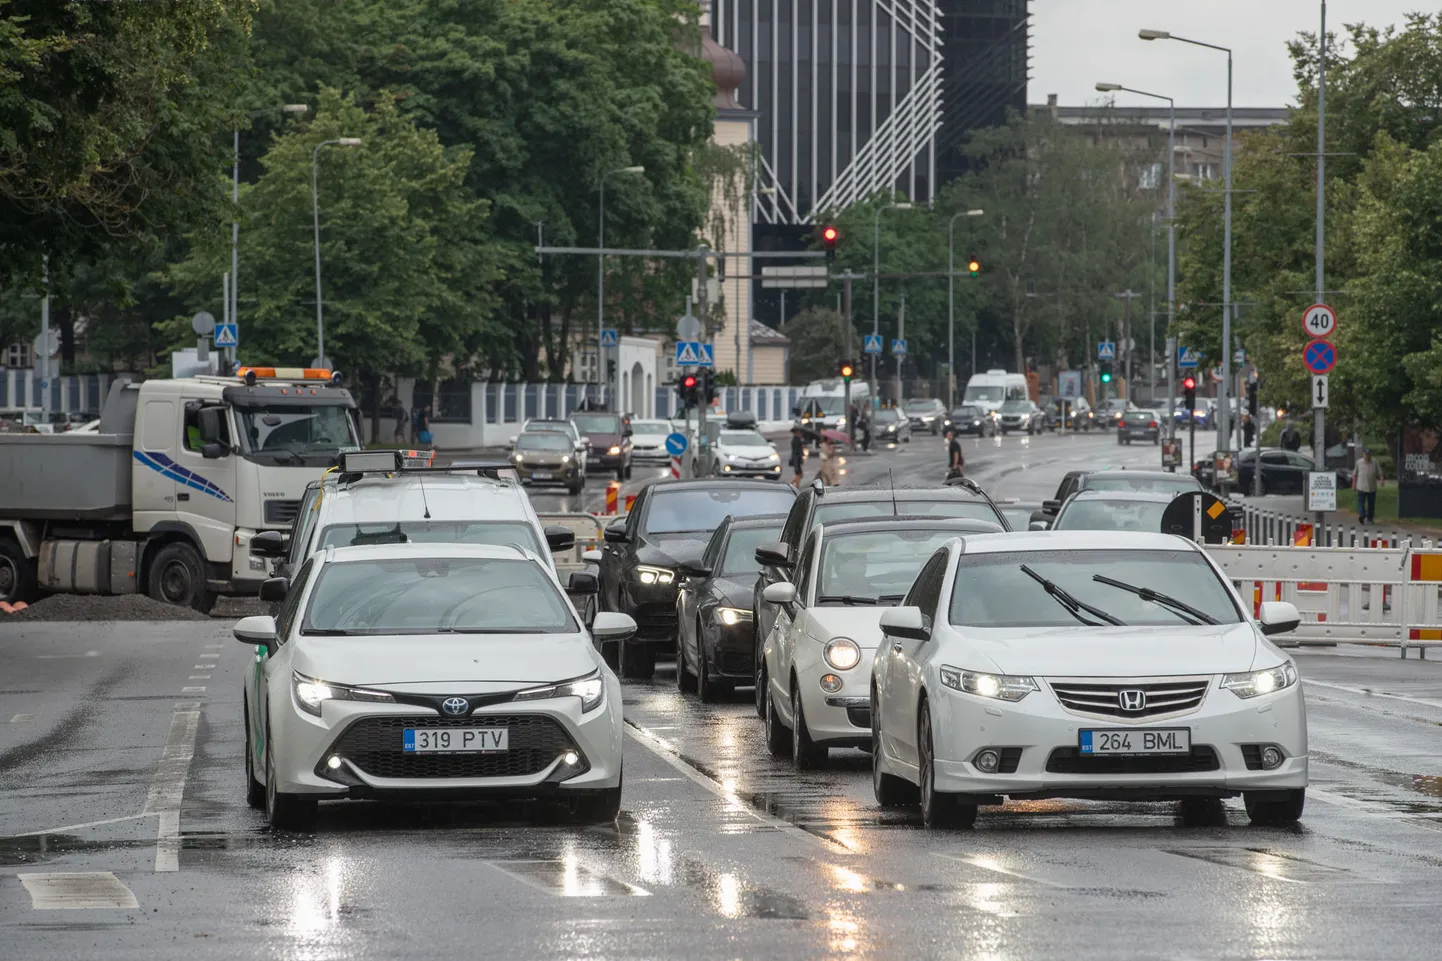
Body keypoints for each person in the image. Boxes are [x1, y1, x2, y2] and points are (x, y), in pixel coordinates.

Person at [1355, 449, 1383, 524]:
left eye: (1368, 454)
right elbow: (1355, 474)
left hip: (1372, 487)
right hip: (1361, 486)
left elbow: (1380, 473)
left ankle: (1370, 518)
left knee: (1371, 504)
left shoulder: (1375, 462)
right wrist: (1353, 484)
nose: (1367, 456)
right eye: (1365, 454)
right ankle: (1362, 515)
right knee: (1361, 502)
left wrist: (1381, 480)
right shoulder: (1359, 462)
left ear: (1370, 455)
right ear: (1363, 455)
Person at [788, 424, 807, 489]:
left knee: (800, 475)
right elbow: (796, 451)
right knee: (798, 474)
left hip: (797, 459)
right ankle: (795, 486)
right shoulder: (796, 440)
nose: (800, 434)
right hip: (796, 459)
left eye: (801, 433)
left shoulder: (798, 440)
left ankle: (791, 484)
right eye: (799, 433)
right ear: (796, 433)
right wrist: (802, 446)